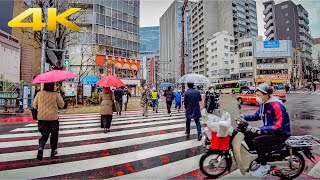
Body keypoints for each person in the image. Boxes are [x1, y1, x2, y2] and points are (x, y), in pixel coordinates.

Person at [241, 83, 291, 177]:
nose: (257, 97)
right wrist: (243, 117)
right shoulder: (264, 104)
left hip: (280, 133)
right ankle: (260, 157)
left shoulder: (276, 106)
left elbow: (279, 125)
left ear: (266, 95)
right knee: (247, 133)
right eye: (256, 95)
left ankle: (264, 166)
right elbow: (257, 115)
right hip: (270, 131)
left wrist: (261, 130)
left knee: (257, 141)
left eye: (259, 95)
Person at [33, 83, 65, 161]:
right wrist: (59, 96)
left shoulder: (39, 94)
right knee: (54, 135)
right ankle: (53, 151)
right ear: (52, 86)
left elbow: (34, 105)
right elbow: (62, 105)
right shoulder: (56, 94)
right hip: (53, 119)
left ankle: (41, 147)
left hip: (42, 118)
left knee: (44, 135)